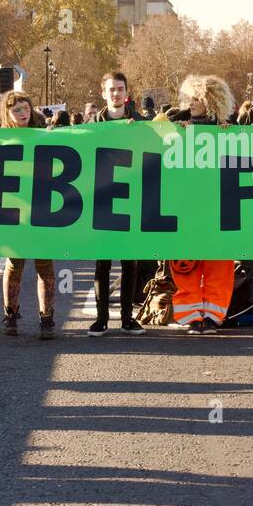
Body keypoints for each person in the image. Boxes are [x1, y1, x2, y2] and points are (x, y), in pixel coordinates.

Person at [170, 75, 237, 334]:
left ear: (210, 100)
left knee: (218, 262)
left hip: (219, 205)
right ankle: (189, 314)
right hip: (185, 206)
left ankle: (213, 314)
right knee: (185, 262)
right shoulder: (177, 122)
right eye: (189, 97)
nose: (191, 102)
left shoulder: (230, 127)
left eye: (196, 98)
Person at [88, 72, 148, 336]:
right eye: (111, 89)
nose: (116, 94)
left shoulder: (140, 123)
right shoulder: (91, 124)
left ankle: (127, 318)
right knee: (102, 262)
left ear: (127, 93)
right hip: (103, 199)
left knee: (129, 262)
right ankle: (101, 319)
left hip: (131, 197)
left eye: (120, 89)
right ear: (103, 93)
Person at [0, 91, 59, 339]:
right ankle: (10, 315)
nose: (23, 113)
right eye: (17, 110)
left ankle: (47, 318)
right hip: (14, 208)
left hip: (42, 205)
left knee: (45, 264)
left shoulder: (44, 133)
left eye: (25, 108)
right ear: (7, 113)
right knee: (14, 264)